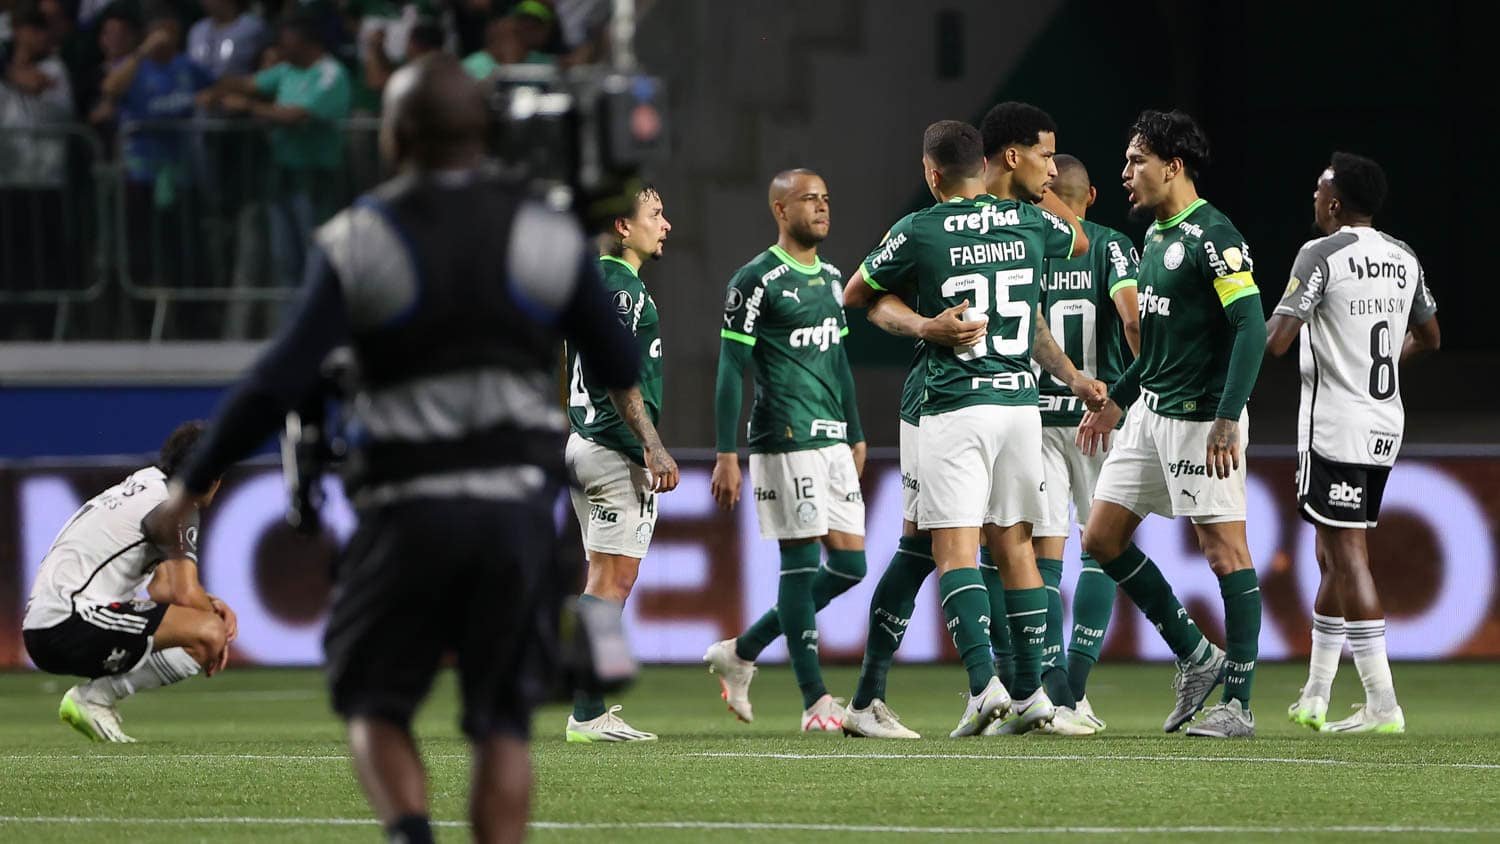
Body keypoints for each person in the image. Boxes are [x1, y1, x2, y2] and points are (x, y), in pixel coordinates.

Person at [162, 54, 642, 844]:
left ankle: (410, 832)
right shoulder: (547, 230)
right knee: (503, 722)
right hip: (516, 515)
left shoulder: (360, 237)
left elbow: (276, 382)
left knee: (374, 701)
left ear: (393, 137)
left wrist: (190, 484)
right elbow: (618, 360)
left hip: (405, 512)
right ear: (484, 131)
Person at [841, 113, 1102, 738]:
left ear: (931, 174)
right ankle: (1028, 693)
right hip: (1019, 406)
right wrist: (1033, 195)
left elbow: (855, 295)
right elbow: (1079, 240)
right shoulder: (1031, 223)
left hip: (949, 402)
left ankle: (984, 686)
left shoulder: (920, 228)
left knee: (942, 548)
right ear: (992, 162)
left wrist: (924, 325)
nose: (1048, 169)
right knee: (1011, 546)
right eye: (1043, 158)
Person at [1076, 109, 1267, 738]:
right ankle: (1196, 653)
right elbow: (1158, 351)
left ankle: (1238, 704)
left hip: (1200, 419)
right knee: (1100, 538)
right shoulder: (1156, 240)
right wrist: (1117, 398)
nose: (1126, 173)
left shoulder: (1214, 235)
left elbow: (1251, 327)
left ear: (1173, 166)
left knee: (1224, 551)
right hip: (1151, 413)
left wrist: (1227, 416)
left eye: (1137, 161)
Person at [1269, 152, 1440, 734]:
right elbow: (1429, 336)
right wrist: (1380, 362)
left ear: (1335, 203)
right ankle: (1315, 694)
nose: (1315, 199)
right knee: (1330, 555)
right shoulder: (1403, 256)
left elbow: (1278, 341)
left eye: (1320, 191)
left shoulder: (1320, 253)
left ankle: (1382, 702)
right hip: (1384, 423)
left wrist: (1234, 327)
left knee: (1347, 556)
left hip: (1335, 426)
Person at [702, 168, 868, 732]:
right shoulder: (756, 279)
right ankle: (815, 702)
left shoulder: (832, 277)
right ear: (780, 210)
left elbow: (838, 360)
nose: (821, 207)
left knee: (850, 565)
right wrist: (726, 453)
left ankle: (743, 650)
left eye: (826, 198)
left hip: (832, 438)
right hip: (785, 436)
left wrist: (855, 430)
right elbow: (730, 367)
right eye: (808, 199)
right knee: (799, 566)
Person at [1020, 153, 1141, 733]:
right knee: (1102, 550)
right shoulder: (1112, 246)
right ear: (1090, 196)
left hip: (1037, 416)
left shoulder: (1026, 244)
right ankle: (1077, 692)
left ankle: (1052, 692)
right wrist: (1131, 391)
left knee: (1044, 556)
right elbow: (1134, 321)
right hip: (1100, 416)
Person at [22, 421, 235, 744]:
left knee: (204, 626)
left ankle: (95, 698)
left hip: (47, 623)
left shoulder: (146, 485)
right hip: (68, 622)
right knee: (209, 633)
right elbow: (183, 593)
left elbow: (163, 589)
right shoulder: (175, 506)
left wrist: (207, 604)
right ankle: (95, 699)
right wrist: (216, 624)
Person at [563, 185, 679, 743]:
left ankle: (588, 707)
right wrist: (652, 445)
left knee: (606, 577)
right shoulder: (620, 288)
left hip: (585, 443)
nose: (666, 224)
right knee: (611, 580)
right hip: (612, 451)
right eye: (655, 214)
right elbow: (616, 375)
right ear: (623, 227)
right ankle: (586, 711)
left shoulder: (596, 284)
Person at [199, 13, 352, 285]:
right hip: (281, 178)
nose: (281, 48)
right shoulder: (287, 70)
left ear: (307, 42)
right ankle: (291, 311)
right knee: (284, 258)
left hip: (315, 180)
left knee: (314, 255)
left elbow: (298, 115)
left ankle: (320, 308)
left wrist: (250, 107)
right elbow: (249, 83)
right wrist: (218, 89)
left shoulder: (331, 74)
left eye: (286, 42)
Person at [187, 0, 269, 81]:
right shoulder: (197, 29)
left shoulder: (253, 27)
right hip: (197, 87)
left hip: (239, 87)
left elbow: (267, 64)